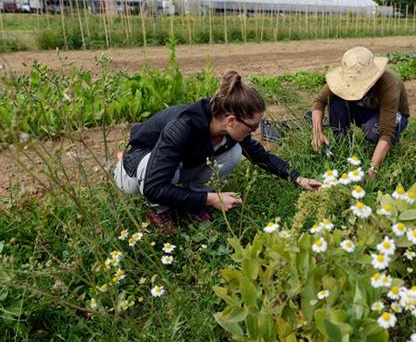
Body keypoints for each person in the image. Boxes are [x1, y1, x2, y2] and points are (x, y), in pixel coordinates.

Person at [114, 70, 321, 232]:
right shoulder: (184, 127)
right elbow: (154, 187)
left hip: (175, 165)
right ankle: (160, 210)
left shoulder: (226, 128)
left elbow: (261, 156)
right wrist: (212, 199)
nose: (255, 131)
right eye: (253, 127)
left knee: (234, 152)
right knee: (168, 171)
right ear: (231, 120)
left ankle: (193, 200)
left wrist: (297, 178)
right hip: (136, 169)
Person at [310, 46, 410, 180]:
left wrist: (372, 170)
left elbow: (387, 131)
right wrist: (318, 133)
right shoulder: (342, 79)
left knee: (374, 132)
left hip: (392, 115)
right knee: (335, 103)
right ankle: (343, 145)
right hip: (363, 111)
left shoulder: (389, 83)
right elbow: (319, 102)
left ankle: (386, 146)